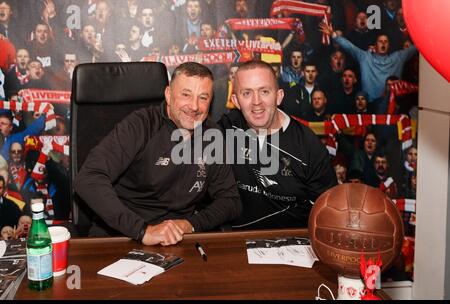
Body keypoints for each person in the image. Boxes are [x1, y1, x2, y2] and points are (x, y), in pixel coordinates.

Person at [75, 62, 241, 246]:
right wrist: (142, 230)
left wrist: (190, 225)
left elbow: (230, 200)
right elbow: (88, 178)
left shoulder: (212, 135)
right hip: (122, 235)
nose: (194, 106)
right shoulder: (140, 125)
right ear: (169, 95)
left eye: (203, 97)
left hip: (176, 241)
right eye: (186, 95)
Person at [218, 60, 336, 229]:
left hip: (293, 245)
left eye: (264, 91)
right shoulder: (227, 127)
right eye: (247, 93)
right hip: (236, 243)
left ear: (279, 96)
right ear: (236, 101)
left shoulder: (308, 146)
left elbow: (329, 211)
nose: (256, 102)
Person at [320, 23, 417, 102]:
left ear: (389, 45)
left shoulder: (397, 58)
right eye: (380, 41)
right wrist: (333, 35)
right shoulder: (365, 58)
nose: (383, 43)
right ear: (375, 45)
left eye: (385, 42)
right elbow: (350, 47)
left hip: (392, 106)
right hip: (369, 107)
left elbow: (416, 47)